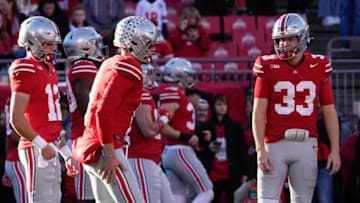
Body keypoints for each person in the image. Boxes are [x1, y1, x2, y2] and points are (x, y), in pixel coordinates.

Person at [252, 13, 341, 203]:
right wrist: (260, 148)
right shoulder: (267, 66)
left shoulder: (319, 65)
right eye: (280, 40)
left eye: (289, 39)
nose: (284, 44)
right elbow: (258, 112)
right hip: (274, 144)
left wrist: (335, 149)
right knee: (267, 200)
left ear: (302, 37)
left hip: (306, 144)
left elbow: (329, 110)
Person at [72, 16, 158, 203]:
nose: (152, 49)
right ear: (131, 42)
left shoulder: (110, 62)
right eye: (147, 43)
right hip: (106, 147)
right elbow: (103, 112)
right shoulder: (128, 65)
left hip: (94, 144)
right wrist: (109, 153)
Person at [8, 16, 79, 203]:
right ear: (33, 43)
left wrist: (67, 155)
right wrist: (41, 144)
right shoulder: (25, 67)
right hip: (36, 148)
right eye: (48, 44)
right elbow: (16, 118)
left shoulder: (49, 69)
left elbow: (52, 124)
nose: (53, 49)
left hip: (51, 146)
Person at [63, 27, 108, 202]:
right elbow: (88, 108)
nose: (100, 47)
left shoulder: (85, 66)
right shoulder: (83, 65)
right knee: (88, 198)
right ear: (85, 48)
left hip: (91, 138)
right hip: (85, 139)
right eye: (95, 44)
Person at [160, 57, 214, 203]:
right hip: (179, 150)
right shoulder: (172, 93)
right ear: (178, 75)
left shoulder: (178, 94)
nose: (190, 78)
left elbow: (179, 125)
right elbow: (163, 126)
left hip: (174, 150)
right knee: (206, 191)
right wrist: (185, 137)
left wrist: (195, 135)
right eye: (188, 75)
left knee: (179, 196)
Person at [127, 64, 175, 203]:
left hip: (149, 159)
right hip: (141, 158)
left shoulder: (142, 95)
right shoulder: (141, 95)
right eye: (149, 74)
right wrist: (164, 119)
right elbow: (148, 131)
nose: (152, 78)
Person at [198, 94, 248, 203]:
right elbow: (199, 150)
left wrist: (245, 173)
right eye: (219, 104)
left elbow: (243, 151)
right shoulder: (205, 127)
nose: (222, 107)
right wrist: (209, 148)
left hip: (232, 174)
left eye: (224, 104)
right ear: (213, 107)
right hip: (212, 174)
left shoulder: (236, 127)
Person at [2, 98, 27, 203]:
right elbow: (15, 136)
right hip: (18, 159)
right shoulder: (17, 99)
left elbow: (9, 137)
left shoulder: (11, 100)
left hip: (16, 158)